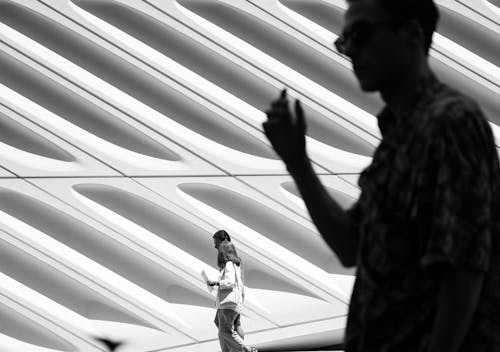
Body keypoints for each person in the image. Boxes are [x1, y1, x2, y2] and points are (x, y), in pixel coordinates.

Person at [263, 0, 500, 351]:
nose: (351, 50)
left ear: (412, 35)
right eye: (344, 41)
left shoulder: (450, 123)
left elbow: (462, 268)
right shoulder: (398, 138)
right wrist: (297, 162)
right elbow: (349, 246)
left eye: (361, 34)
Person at [207, 231, 257, 352]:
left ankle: (246, 349)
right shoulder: (235, 264)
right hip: (230, 302)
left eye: (217, 245)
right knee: (220, 325)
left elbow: (230, 282)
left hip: (229, 303)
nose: (216, 248)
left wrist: (216, 283)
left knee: (225, 330)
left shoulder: (229, 264)